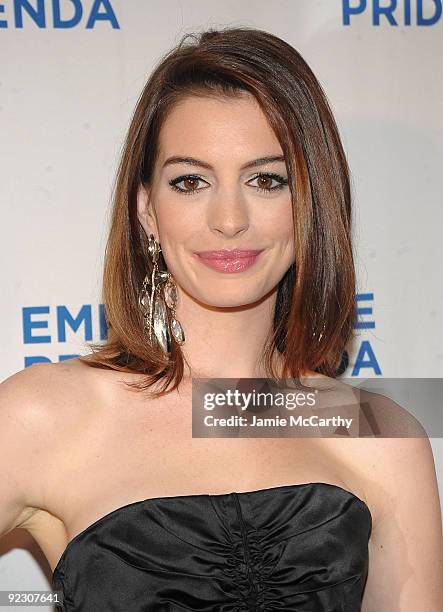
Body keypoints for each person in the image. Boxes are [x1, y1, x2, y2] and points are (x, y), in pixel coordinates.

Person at [1, 26, 442, 611]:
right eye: (190, 181)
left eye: (266, 179)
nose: (229, 218)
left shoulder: (377, 435)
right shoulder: (44, 417)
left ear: (311, 204)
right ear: (147, 211)